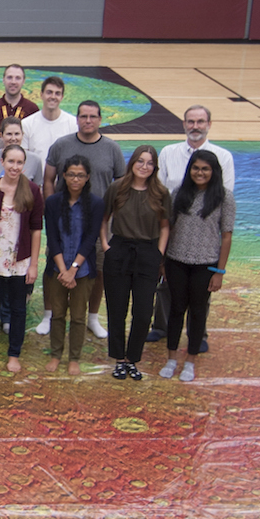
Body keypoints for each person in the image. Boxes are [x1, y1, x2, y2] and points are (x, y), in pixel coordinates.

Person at [148, 104, 235, 346]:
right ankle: (161, 327)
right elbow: (159, 190)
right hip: (173, 229)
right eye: (191, 121)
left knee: (200, 293)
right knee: (166, 285)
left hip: (205, 236)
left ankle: (198, 335)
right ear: (184, 124)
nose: (195, 126)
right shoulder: (169, 152)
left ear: (209, 124)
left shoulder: (223, 156)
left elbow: (225, 194)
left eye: (200, 122)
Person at [44, 100, 126, 339]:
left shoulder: (112, 148)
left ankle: (92, 317)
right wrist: (51, 209)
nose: (88, 120)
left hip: (98, 224)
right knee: (53, 267)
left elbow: (121, 185)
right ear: (77, 118)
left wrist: (111, 217)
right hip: (64, 221)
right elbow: (48, 179)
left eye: (92, 116)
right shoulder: (61, 145)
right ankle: (49, 314)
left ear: (100, 119)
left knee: (97, 270)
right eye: (83, 116)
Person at [159, 150, 233, 382]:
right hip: (176, 261)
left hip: (205, 265)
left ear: (214, 171)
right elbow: (168, 228)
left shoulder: (224, 198)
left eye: (205, 169)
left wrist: (219, 272)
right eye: (196, 168)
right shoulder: (179, 193)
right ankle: (172, 358)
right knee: (176, 309)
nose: (200, 173)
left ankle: (190, 360)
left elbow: (226, 236)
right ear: (190, 169)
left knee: (198, 312)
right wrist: (163, 261)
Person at [101, 146, 171, 381]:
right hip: (120, 251)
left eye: (149, 163)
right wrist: (106, 246)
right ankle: (119, 359)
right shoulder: (117, 188)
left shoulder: (160, 193)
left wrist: (159, 253)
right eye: (140, 161)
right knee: (117, 310)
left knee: (142, 313)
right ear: (132, 163)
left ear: (155, 167)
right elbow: (104, 219)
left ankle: (132, 359)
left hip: (147, 253)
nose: (144, 166)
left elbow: (165, 226)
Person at [0, 145, 43, 373]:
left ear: (24, 165)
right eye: (11, 161)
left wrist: (33, 265)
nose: (15, 166)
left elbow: (36, 230)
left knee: (18, 309)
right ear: (2, 162)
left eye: (19, 162)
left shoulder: (32, 190)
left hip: (20, 261)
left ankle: (14, 354)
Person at [42, 156, 104, 375]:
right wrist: (63, 270)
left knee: (78, 316)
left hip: (83, 271)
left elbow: (90, 239)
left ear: (87, 178)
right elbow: (52, 238)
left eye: (80, 175)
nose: (75, 179)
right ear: (64, 176)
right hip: (57, 270)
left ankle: (74, 357)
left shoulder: (96, 203)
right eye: (71, 175)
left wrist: (74, 269)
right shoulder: (53, 202)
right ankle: (56, 354)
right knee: (57, 314)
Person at [21, 76, 76, 160]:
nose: (53, 97)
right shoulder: (26, 124)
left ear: (62, 97)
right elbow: (23, 159)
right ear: (41, 95)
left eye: (57, 93)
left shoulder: (73, 124)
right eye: (49, 92)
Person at [0, 118, 44, 185]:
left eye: (17, 134)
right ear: (1, 135)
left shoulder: (35, 160)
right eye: (9, 134)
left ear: (22, 135)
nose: (13, 138)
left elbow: (37, 189)